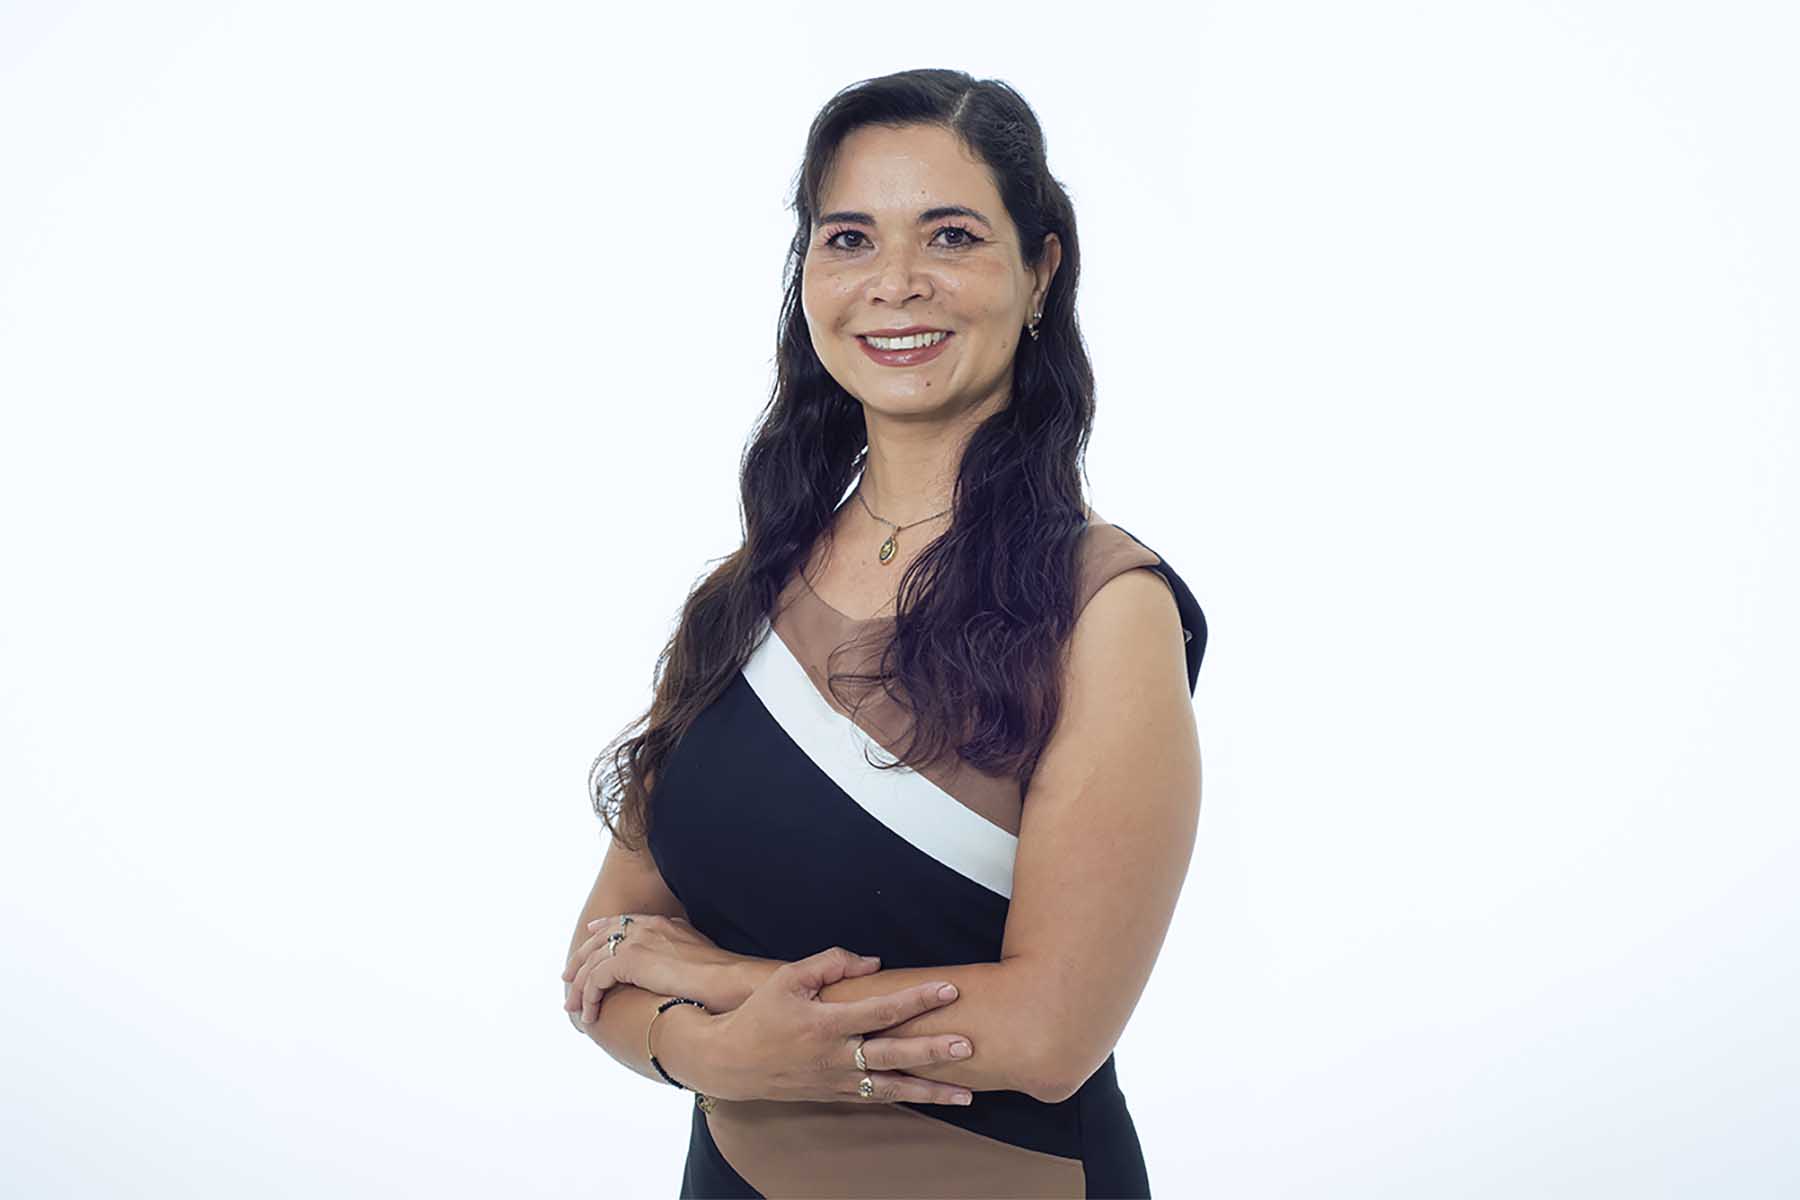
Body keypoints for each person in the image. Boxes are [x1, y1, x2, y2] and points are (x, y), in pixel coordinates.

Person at [560, 67, 1207, 1199]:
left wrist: (728, 992)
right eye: (849, 239)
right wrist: (720, 1056)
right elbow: (603, 956)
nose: (895, 283)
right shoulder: (739, 598)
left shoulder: (1106, 606)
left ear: (1040, 270)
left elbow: (1051, 1031)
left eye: (951, 236)